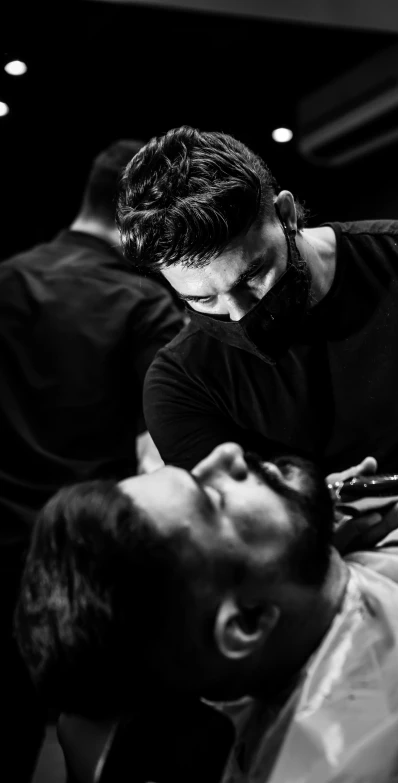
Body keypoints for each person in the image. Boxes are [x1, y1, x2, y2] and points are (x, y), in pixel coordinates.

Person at [14, 442, 398, 782]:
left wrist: (315, 550)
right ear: (248, 622)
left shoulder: (275, 635)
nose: (226, 453)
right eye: (213, 498)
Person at [116, 125, 398, 526]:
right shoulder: (181, 384)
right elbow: (233, 537)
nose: (239, 315)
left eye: (252, 276)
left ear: (286, 215)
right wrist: (309, 529)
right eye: (202, 299)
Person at [0, 139, 184, 781]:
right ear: (139, 216)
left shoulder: (8, 276)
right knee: (97, 746)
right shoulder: (145, 304)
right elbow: (163, 449)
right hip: (84, 562)